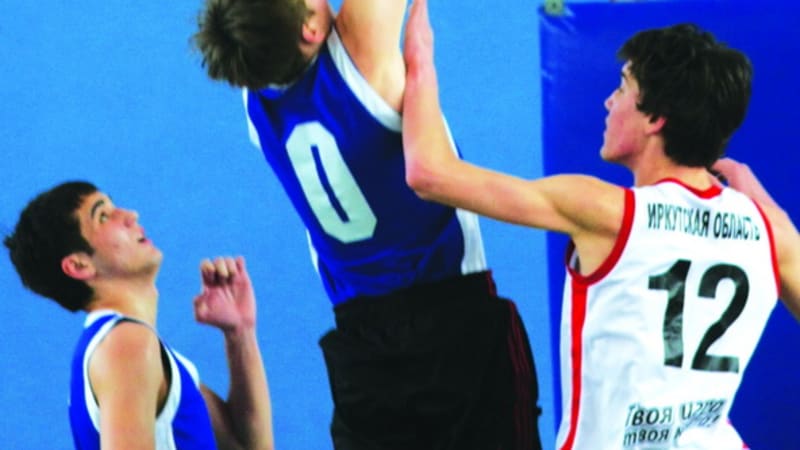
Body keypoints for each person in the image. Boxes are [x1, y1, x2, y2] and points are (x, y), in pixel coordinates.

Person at [400, 0, 800, 448]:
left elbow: (427, 173)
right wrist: (761, 196)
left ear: (655, 118)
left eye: (623, 87)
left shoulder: (609, 213)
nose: (609, 101)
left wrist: (419, 63)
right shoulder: (769, 231)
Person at [191, 0, 542, 449]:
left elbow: (257, 21)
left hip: (360, 346)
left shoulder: (255, 92)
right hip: (452, 318)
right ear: (310, 30)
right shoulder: (359, 50)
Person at [3, 181, 274, 450]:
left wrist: (240, 333)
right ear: (79, 265)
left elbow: (246, 446)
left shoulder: (134, 348)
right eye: (103, 216)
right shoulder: (126, 345)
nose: (130, 215)